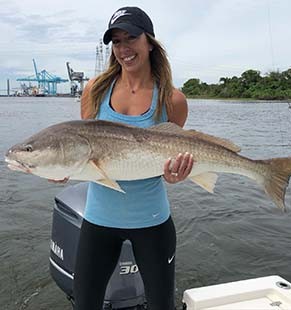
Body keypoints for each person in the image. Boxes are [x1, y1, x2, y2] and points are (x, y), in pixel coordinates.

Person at [74, 6, 193, 310]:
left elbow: (166, 161)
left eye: (131, 38)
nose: (124, 49)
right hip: (98, 220)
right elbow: (83, 151)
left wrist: (174, 175)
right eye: (116, 41)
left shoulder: (172, 100)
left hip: (152, 221)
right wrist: (61, 168)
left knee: (161, 305)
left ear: (149, 41)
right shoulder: (94, 91)